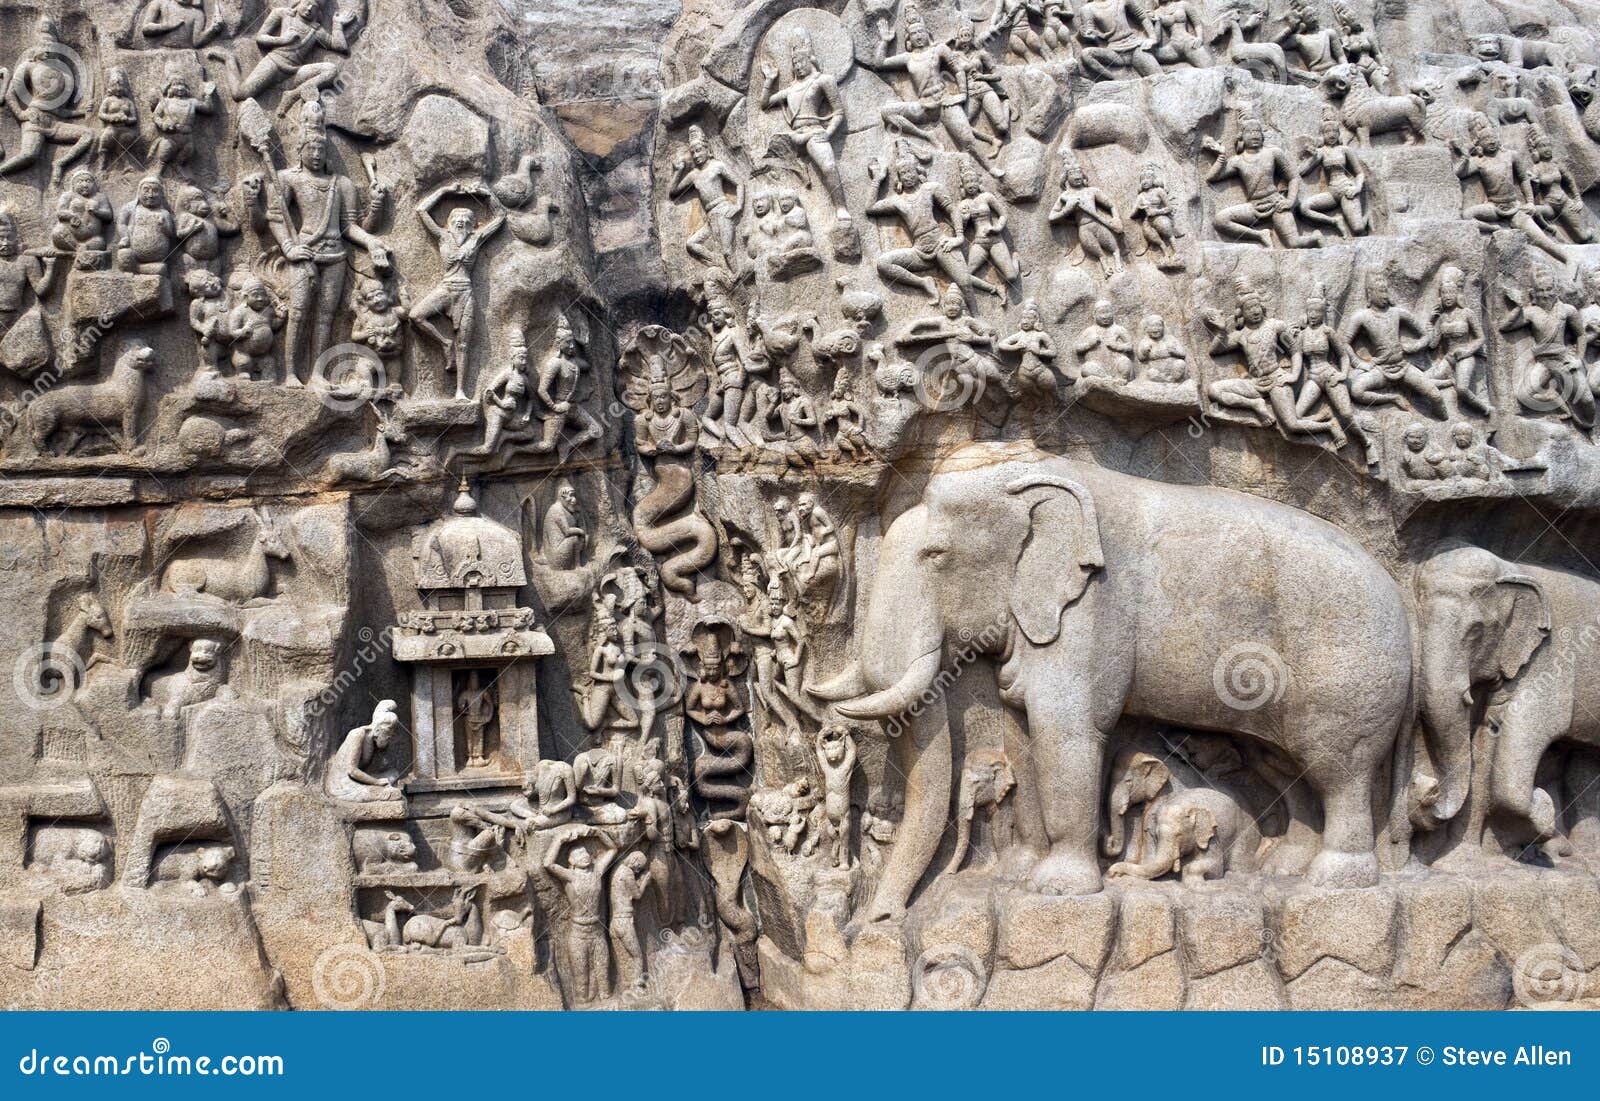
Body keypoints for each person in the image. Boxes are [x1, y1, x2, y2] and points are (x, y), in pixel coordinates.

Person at [543, 828, 619, 1003]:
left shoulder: (597, 871)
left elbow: (613, 849)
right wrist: (559, 840)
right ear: (572, 862)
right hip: (578, 932)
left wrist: (599, 833)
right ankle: (582, 1003)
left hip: (597, 930)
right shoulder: (570, 876)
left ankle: (606, 1000)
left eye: (585, 853)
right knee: (581, 975)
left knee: (603, 972)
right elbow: (548, 864)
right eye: (578, 855)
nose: (584, 856)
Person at [325, 700, 403, 802]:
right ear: (379, 730)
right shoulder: (358, 734)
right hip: (342, 786)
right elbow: (352, 770)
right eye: (388, 735)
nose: (389, 739)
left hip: (356, 780)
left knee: (393, 774)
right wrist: (377, 782)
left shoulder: (371, 741)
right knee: (393, 794)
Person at [608, 851, 652, 993]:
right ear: (634, 860)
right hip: (624, 921)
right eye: (639, 866)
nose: (638, 870)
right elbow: (637, 895)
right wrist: (645, 880)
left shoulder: (617, 870)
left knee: (624, 957)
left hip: (614, 921)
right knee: (637, 956)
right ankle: (636, 986)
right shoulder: (627, 873)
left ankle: (625, 984)